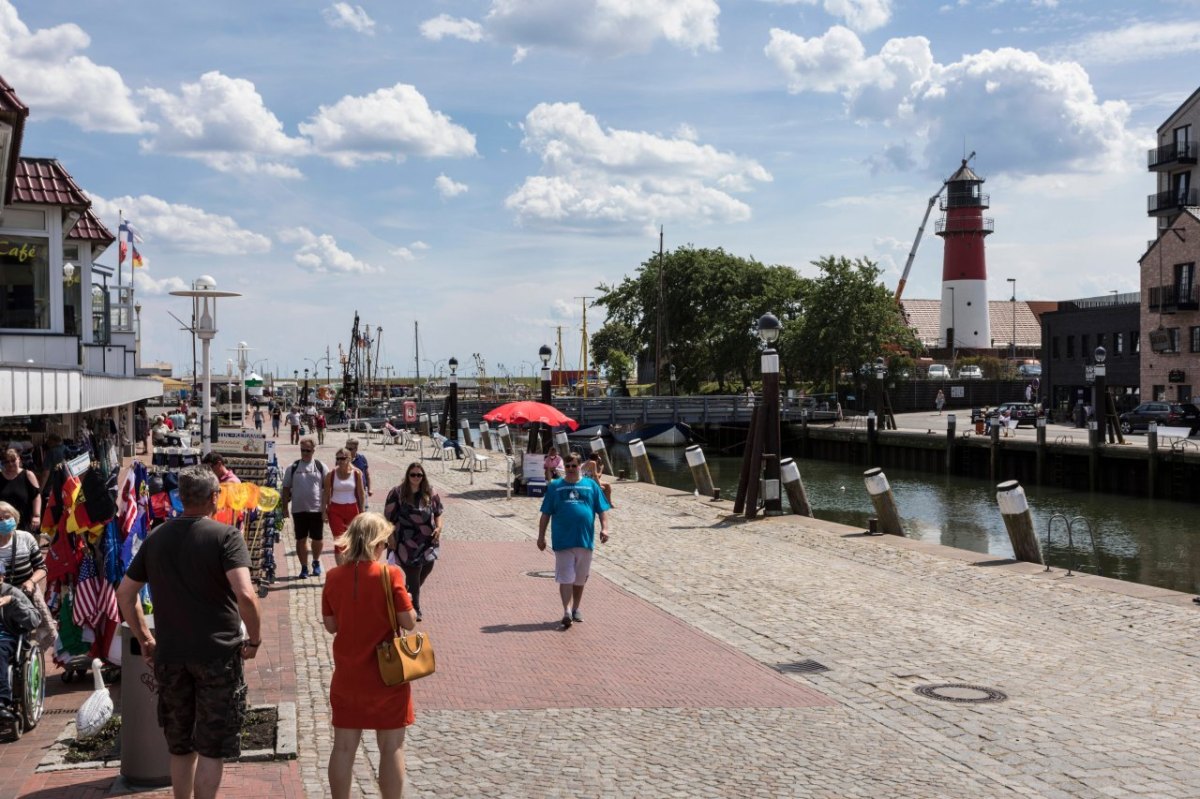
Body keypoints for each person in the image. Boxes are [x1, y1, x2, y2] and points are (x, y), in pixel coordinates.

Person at [115, 467, 262, 799]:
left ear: (180, 498)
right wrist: (254, 638)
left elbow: (125, 593)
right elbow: (246, 595)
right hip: (217, 655)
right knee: (211, 745)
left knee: (180, 744)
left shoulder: (156, 538)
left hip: (171, 655)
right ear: (214, 497)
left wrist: (145, 638)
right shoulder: (226, 537)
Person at [321, 513, 416, 799]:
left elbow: (330, 625)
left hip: (348, 674)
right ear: (376, 543)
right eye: (384, 542)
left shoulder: (333, 576)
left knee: (343, 747)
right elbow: (408, 621)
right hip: (387, 675)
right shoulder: (391, 575)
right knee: (391, 747)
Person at [537, 452, 611, 628]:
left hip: (585, 539)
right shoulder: (555, 486)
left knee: (580, 579)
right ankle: (567, 611)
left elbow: (602, 510)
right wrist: (541, 537)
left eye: (574, 466)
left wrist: (605, 528)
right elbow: (545, 514)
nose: (570, 469)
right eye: (567, 466)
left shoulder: (590, 485)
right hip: (563, 540)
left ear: (580, 467)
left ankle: (576, 608)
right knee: (566, 577)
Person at [383, 463, 443, 621]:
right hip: (405, 541)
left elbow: (438, 513)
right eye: (413, 475)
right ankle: (414, 609)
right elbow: (388, 518)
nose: (416, 478)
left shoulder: (430, 492)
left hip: (427, 541)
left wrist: (439, 528)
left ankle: (403, 596)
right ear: (407, 475)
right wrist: (390, 537)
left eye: (419, 475)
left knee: (427, 568)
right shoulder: (397, 493)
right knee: (413, 574)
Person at [282, 438, 328, 579]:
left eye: (308, 450)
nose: (305, 453)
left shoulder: (320, 466)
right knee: (301, 539)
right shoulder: (293, 467)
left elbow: (327, 489)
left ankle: (315, 561)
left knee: (317, 539)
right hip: (298, 509)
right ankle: (303, 567)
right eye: (302, 450)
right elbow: (285, 488)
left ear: (313, 450)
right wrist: (284, 508)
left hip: (316, 509)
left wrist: (326, 509)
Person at [0, 580, 39, 723]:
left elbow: (35, 620)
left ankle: (2, 702)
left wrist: (13, 602)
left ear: (1, 578)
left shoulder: (12, 593)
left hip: (5, 639)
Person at [322, 448, 366, 566]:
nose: (340, 461)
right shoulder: (331, 474)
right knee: (339, 541)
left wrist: (362, 511)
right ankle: (341, 571)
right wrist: (324, 512)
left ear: (349, 459)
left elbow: (361, 494)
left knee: (352, 540)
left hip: (353, 509)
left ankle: (350, 567)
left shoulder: (356, 473)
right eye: (338, 458)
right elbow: (326, 493)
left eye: (343, 458)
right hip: (335, 510)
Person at [0, 501, 47, 593]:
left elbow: (42, 568)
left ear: (15, 518)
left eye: (7, 517)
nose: (4, 521)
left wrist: (31, 581)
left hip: (24, 595)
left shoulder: (26, 538)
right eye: (0, 519)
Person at [0, 449, 40, 532]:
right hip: (3, 522)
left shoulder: (28, 475)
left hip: (24, 521)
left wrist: (36, 515)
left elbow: (36, 496)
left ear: (19, 459)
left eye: (13, 460)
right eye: (7, 462)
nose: (10, 464)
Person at [346, 439, 372, 504]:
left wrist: (369, 489)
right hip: (348, 491)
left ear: (356, 449)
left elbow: (367, 475)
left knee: (362, 511)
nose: (347, 450)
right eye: (346, 448)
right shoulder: (342, 459)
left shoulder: (362, 458)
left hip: (362, 490)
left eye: (350, 449)